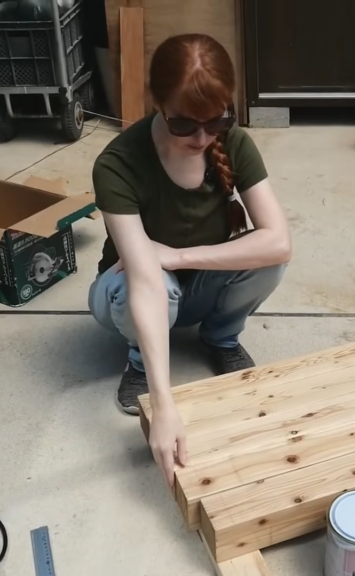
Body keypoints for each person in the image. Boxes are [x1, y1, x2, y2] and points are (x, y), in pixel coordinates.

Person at [87, 33, 291, 487]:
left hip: (193, 281)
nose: (202, 138)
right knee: (139, 281)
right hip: (133, 291)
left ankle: (221, 338)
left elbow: (279, 242)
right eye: (183, 125)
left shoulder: (234, 143)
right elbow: (144, 281)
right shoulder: (118, 164)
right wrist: (164, 404)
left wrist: (177, 255)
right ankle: (141, 363)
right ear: (156, 102)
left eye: (216, 121)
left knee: (266, 258)